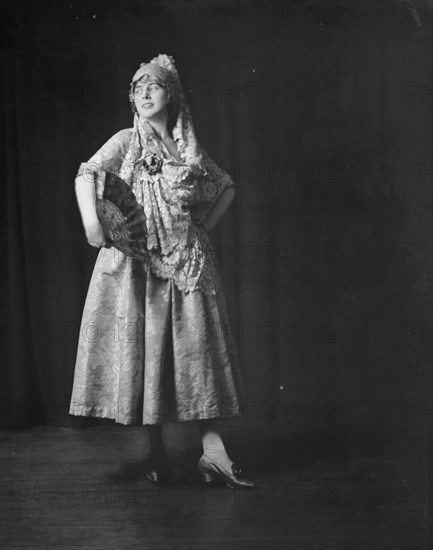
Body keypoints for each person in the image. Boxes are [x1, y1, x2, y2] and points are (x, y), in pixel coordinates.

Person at [69, 53, 254, 489]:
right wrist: (93, 223)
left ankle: (213, 452)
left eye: (152, 86)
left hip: (188, 264)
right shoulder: (126, 141)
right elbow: (86, 175)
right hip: (140, 266)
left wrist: (203, 226)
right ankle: (156, 449)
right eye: (136, 88)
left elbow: (224, 185)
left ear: (172, 94)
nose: (143, 93)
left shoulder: (188, 150)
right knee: (147, 354)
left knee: (196, 355)